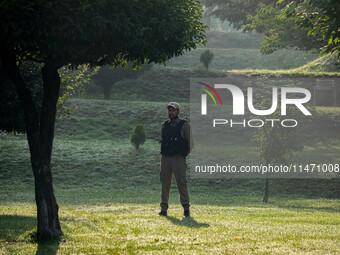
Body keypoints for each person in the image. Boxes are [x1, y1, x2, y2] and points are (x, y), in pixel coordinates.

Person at [159, 102, 194, 217]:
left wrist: (182, 155)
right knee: (164, 183)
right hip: (165, 159)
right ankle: (163, 209)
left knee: (182, 183)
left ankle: (186, 209)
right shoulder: (164, 125)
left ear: (178, 112)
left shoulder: (185, 126)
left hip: (178, 158)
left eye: (173, 110)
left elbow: (191, 144)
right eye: (169, 110)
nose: (171, 112)